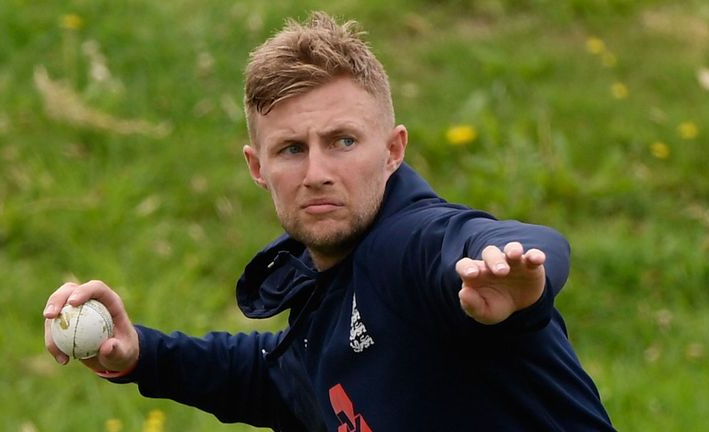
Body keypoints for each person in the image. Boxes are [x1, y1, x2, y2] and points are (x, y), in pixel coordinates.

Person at [43, 11, 615, 431]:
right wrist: (140, 352)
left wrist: (519, 277)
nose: (317, 173)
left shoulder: (406, 248)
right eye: (291, 149)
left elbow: (492, 240)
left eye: (343, 141)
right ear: (257, 167)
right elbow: (281, 379)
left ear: (393, 151)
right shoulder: (329, 294)